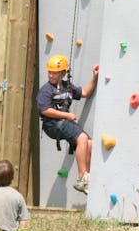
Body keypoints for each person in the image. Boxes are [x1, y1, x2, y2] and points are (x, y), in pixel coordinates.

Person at [36, 54, 99, 194]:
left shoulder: (67, 87)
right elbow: (44, 110)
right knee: (82, 138)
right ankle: (83, 177)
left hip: (63, 122)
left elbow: (85, 93)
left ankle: (86, 178)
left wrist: (94, 76)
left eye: (54, 73)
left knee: (89, 143)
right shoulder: (46, 90)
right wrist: (67, 115)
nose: (51, 75)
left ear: (63, 73)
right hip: (52, 124)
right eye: (49, 72)